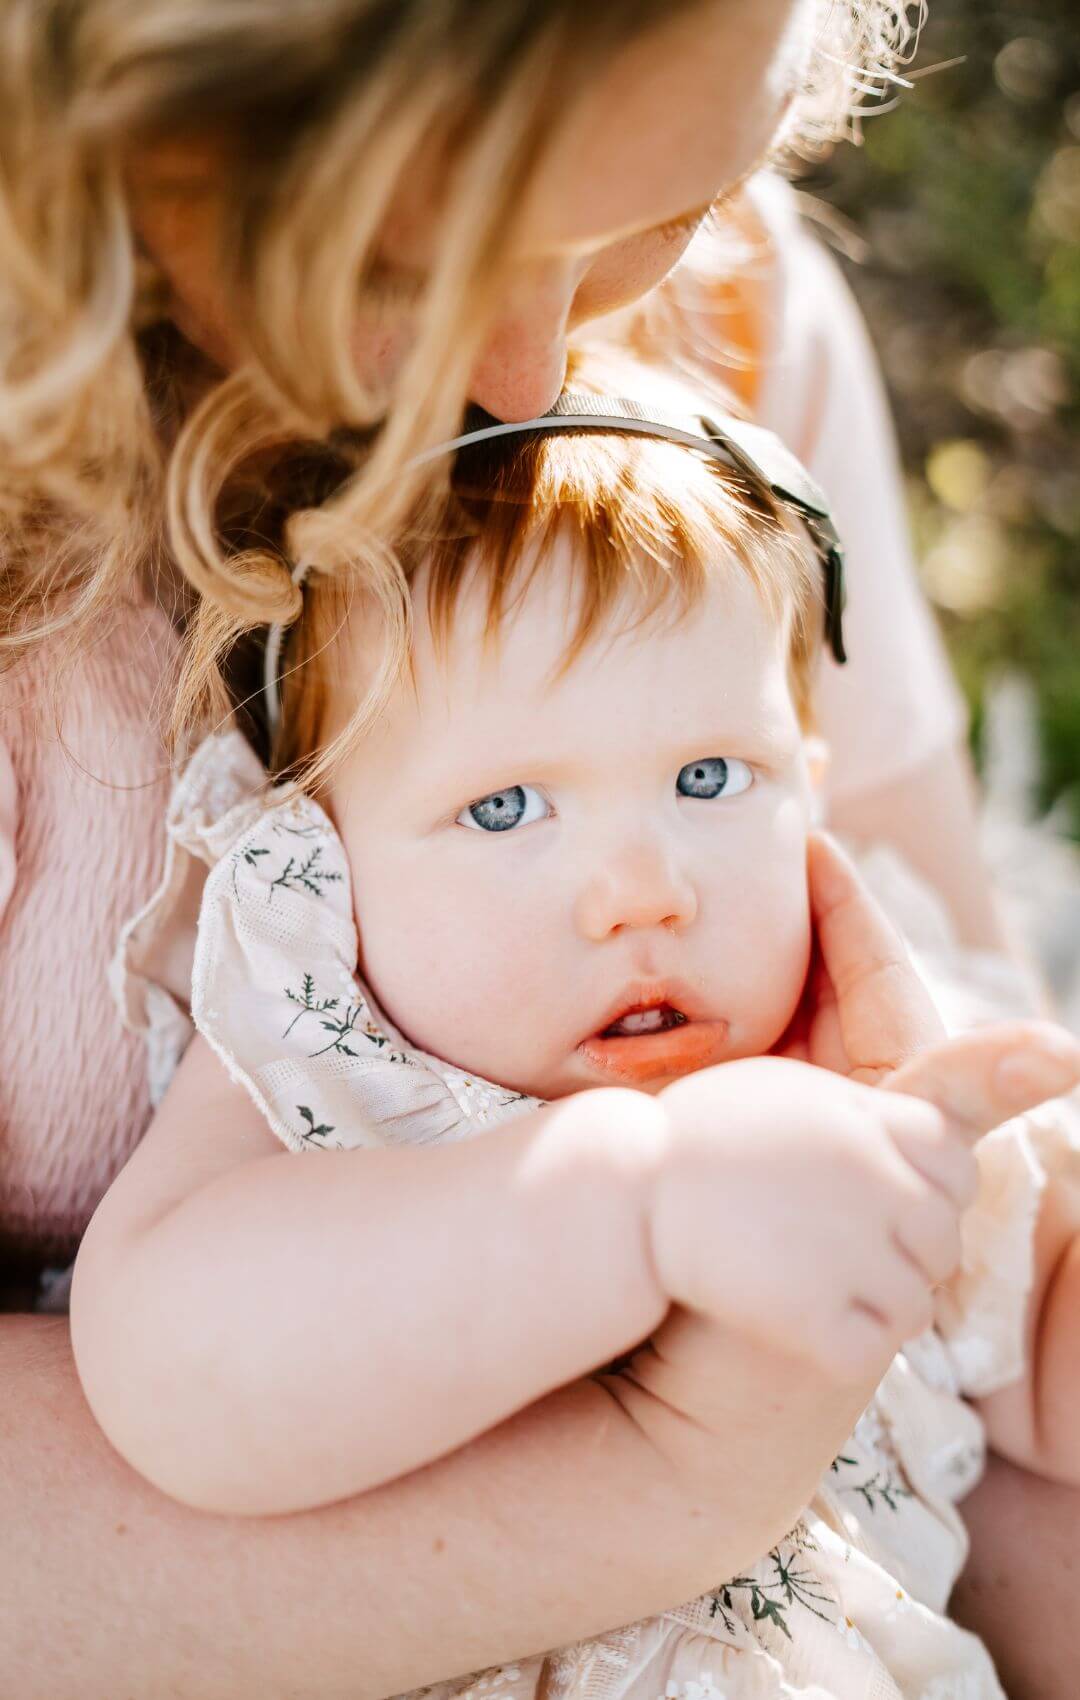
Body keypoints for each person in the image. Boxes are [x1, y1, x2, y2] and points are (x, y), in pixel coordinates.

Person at [1, 1, 1075, 1692]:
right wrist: (633, 1236)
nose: (526, 379)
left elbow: (1007, 1356)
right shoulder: (323, 1032)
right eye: (387, 260)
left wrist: (1012, 1253)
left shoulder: (731, 348)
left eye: (634, 228)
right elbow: (175, 1367)